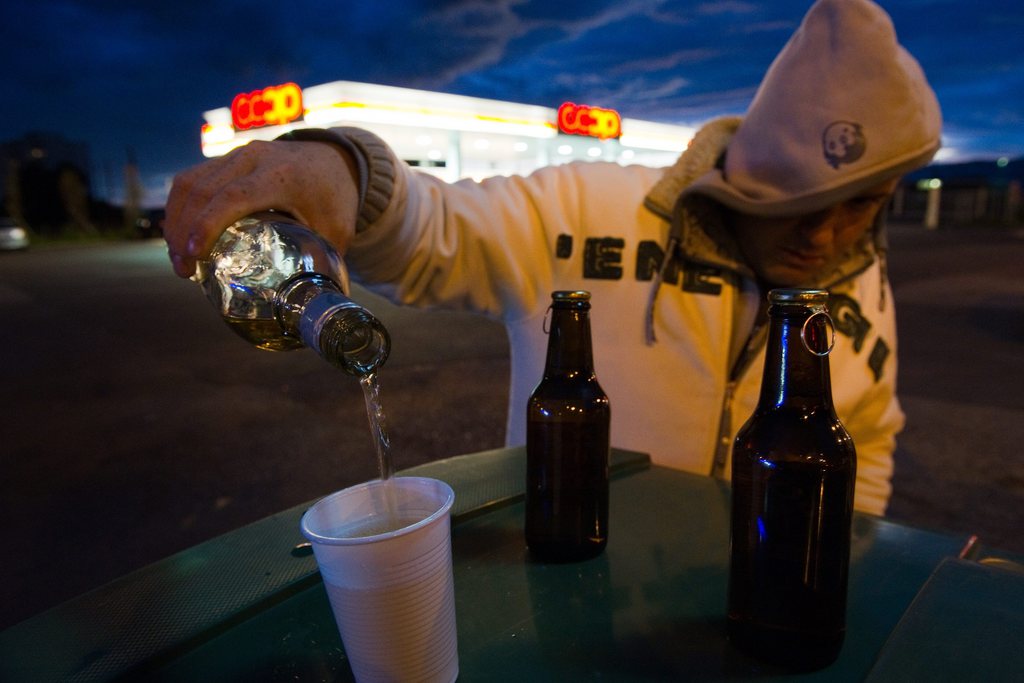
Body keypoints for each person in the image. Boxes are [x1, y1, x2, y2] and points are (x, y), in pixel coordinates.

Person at [164, 0, 941, 516]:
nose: (829, 236)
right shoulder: (587, 209)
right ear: (746, 178)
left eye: (864, 204)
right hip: (569, 594)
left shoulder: (864, 283)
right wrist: (346, 169)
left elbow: (867, 440)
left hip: (753, 614)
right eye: (797, 205)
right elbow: (431, 233)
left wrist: (850, 556)